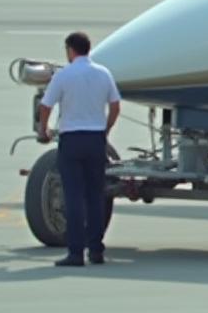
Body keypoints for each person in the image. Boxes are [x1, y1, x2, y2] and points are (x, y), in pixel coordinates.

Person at [37, 31, 122, 267]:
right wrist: (105, 130)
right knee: (95, 196)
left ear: (70, 50)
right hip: (95, 140)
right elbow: (115, 106)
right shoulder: (103, 73)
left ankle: (75, 252)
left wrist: (43, 130)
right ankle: (96, 250)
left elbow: (45, 106)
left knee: (73, 196)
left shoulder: (64, 75)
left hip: (72, 140)